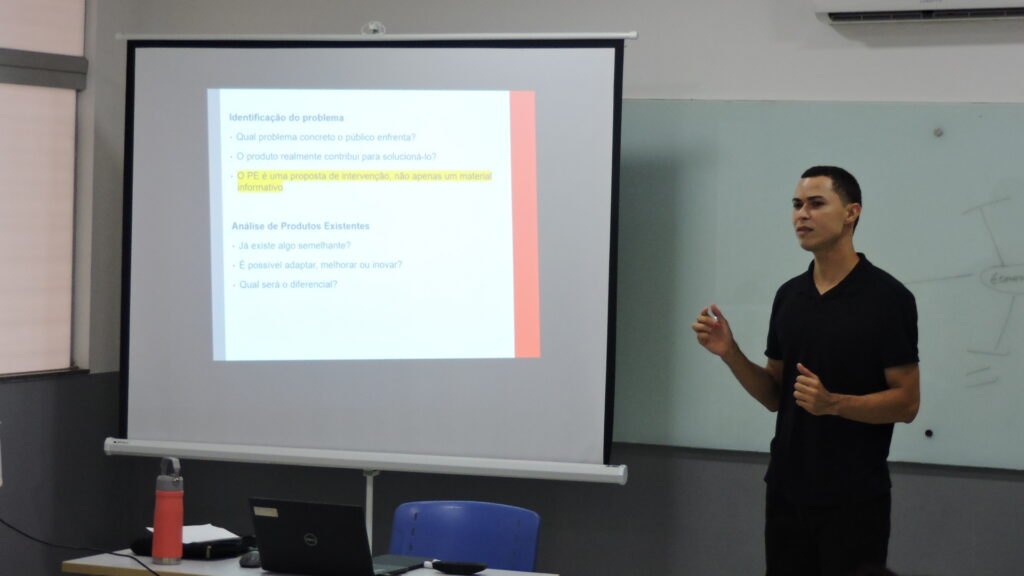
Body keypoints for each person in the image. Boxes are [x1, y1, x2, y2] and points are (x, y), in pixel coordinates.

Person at [692, 166, 920, 576]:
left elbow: (907, 403)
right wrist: (730, 352)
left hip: (854, 499)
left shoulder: (888, 298)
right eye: (797, 205)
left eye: (816, 204)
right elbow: (773, 395)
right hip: (787, 492)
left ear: (851, 213)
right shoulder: (789, 296)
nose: (802, 214)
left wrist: (835, 404)